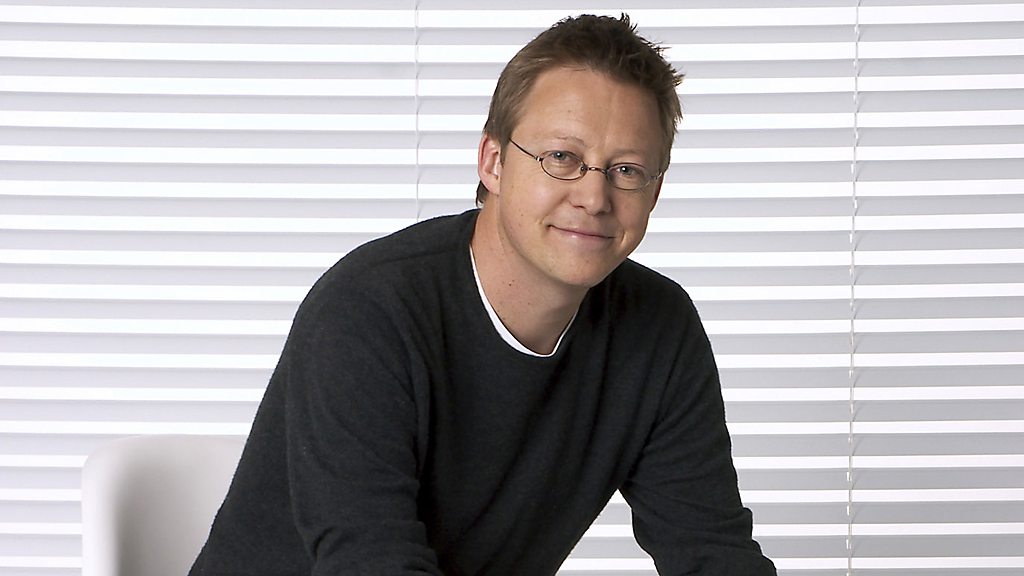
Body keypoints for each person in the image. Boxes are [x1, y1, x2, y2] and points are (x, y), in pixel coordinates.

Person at [189, 13, 776, 575]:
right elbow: (369, 563)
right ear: (493, 162)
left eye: (626, 170)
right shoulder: (368, 312)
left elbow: (712, 553)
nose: (594, 198)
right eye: (562, 158)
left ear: (655, 190)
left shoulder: (658, 328)